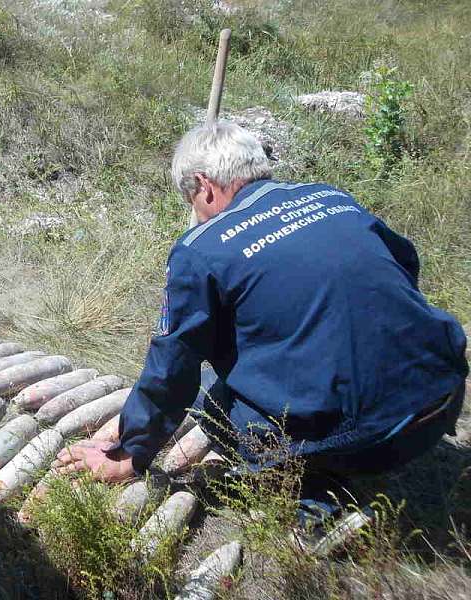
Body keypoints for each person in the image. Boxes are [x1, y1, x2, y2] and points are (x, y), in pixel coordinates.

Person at [52, 121, 468, 509]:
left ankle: (317, 502)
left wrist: (134, 453)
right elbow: (404, 267)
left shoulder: (201, 249)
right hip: (443, 395)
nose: (195, 213)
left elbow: (173, 366)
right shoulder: (332, 197)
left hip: (367, 443)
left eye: (191, 201)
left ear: (204, 186)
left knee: (214, 405)